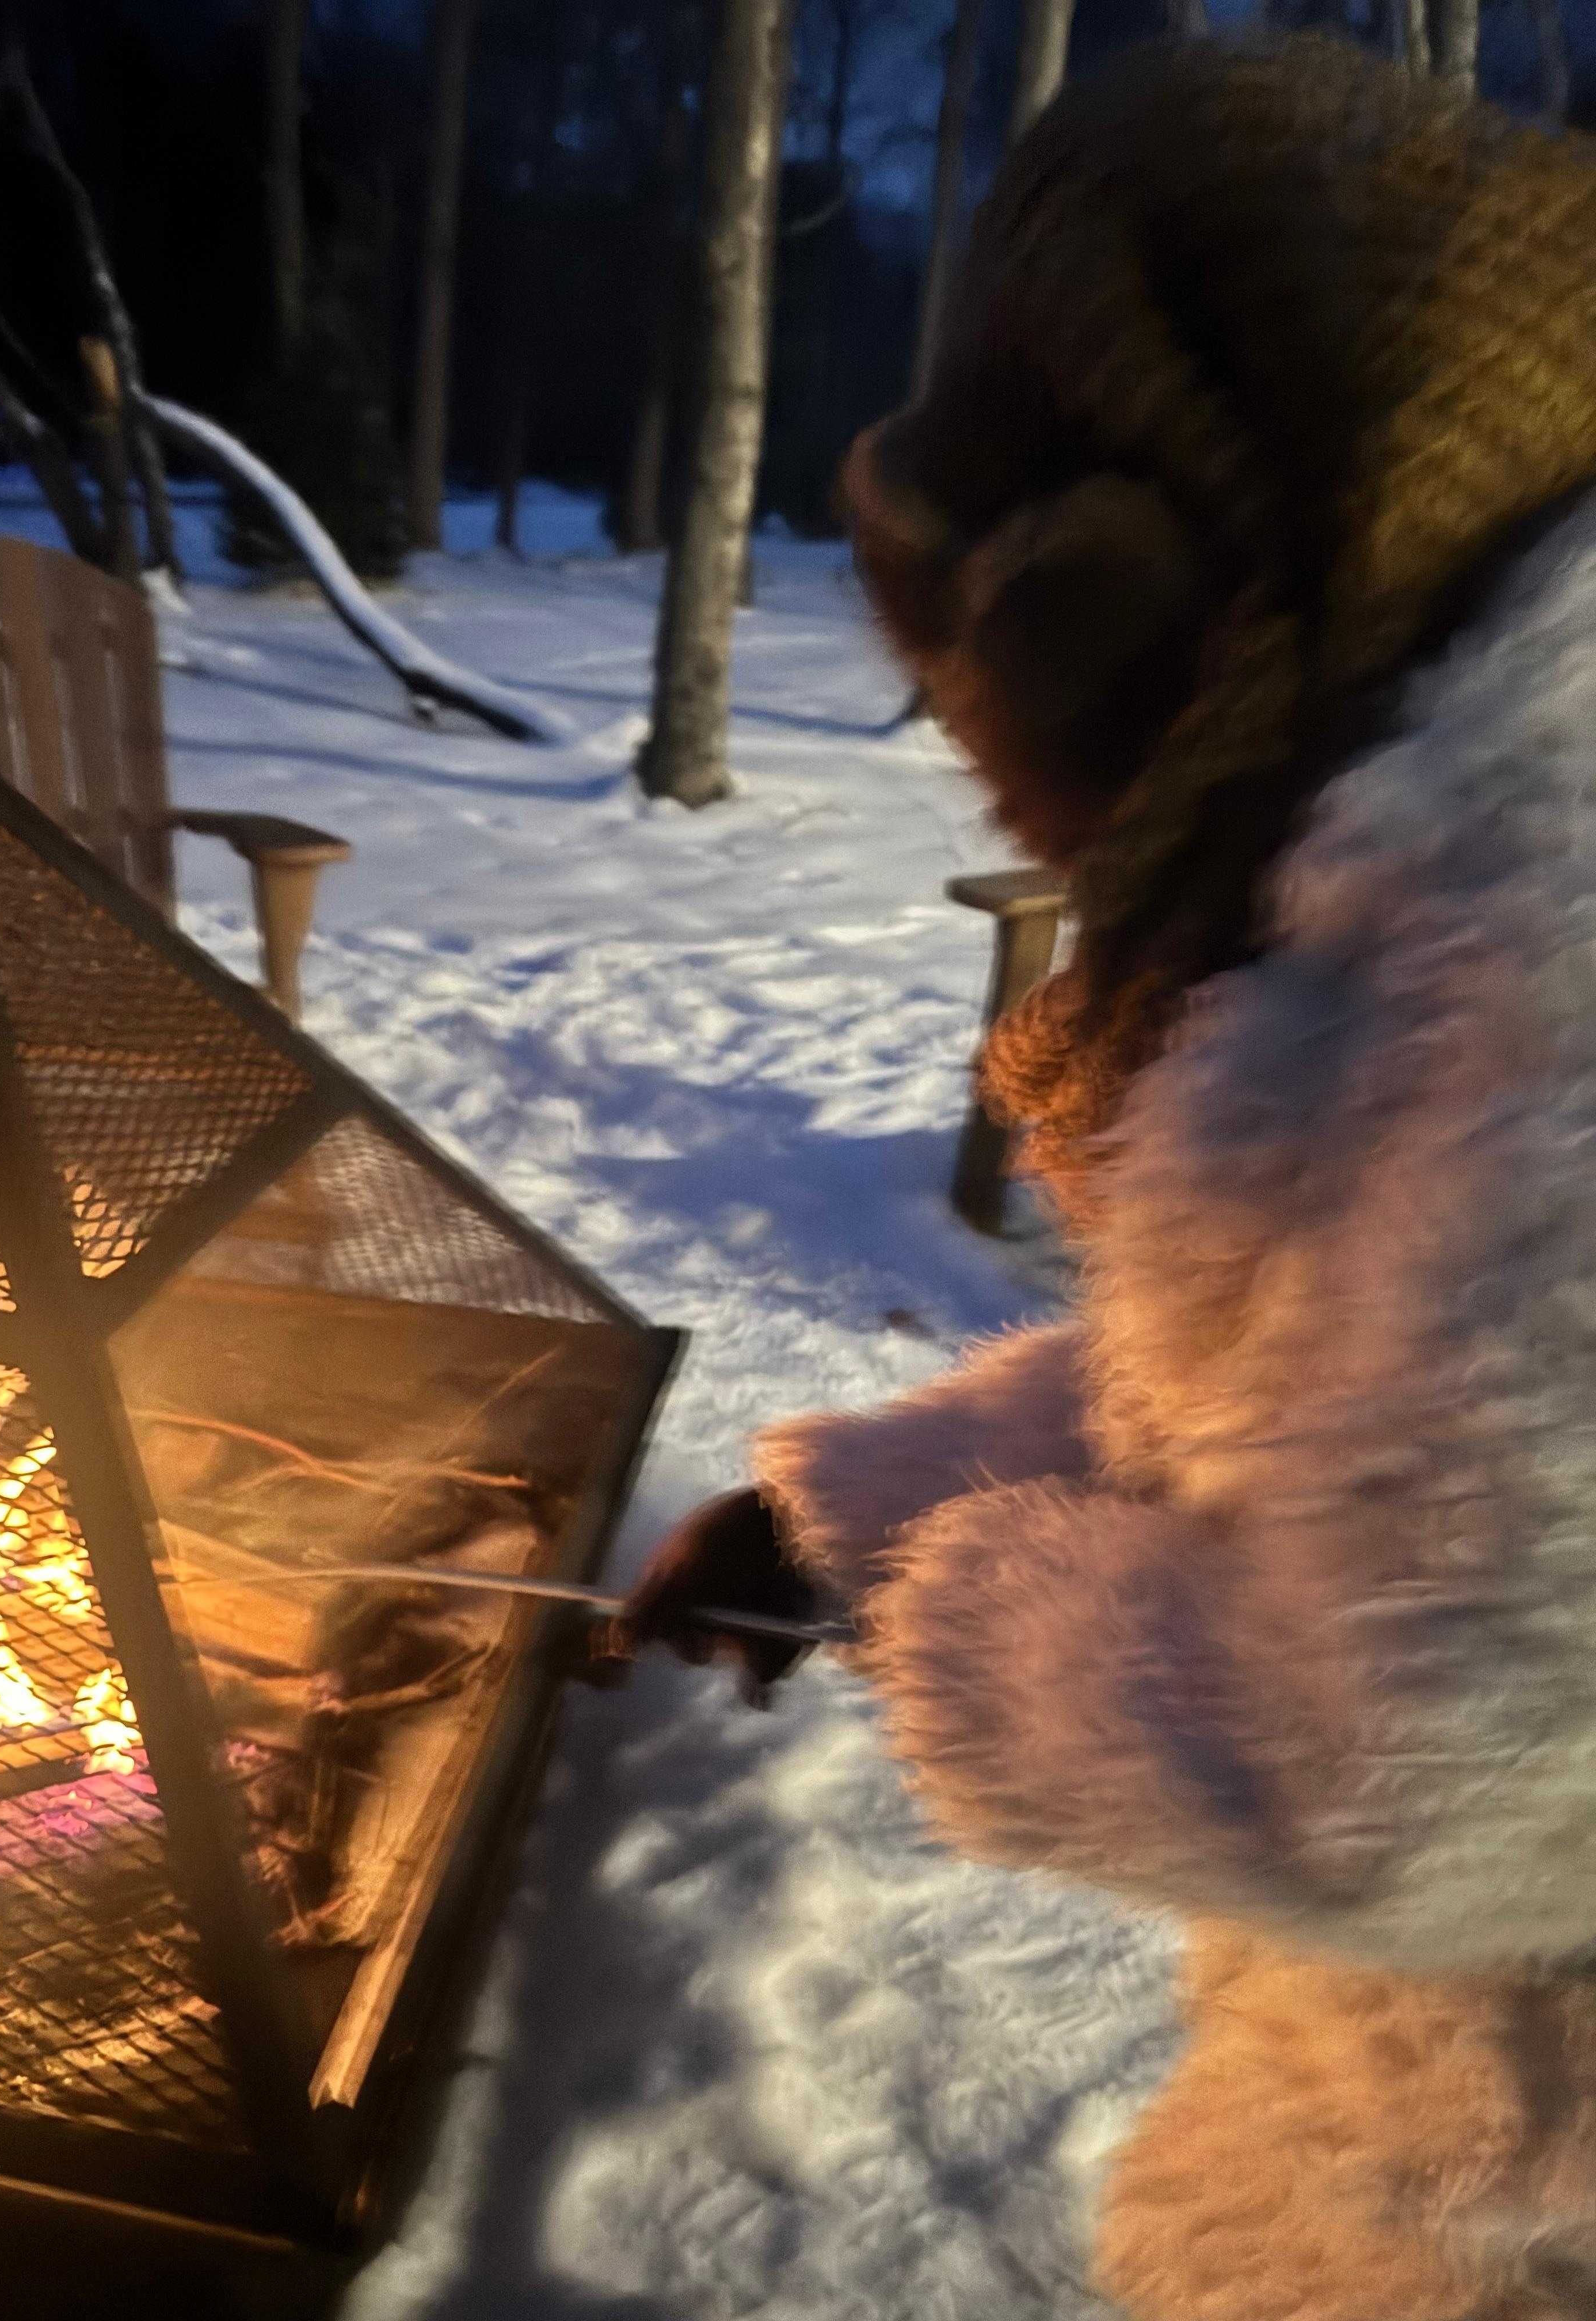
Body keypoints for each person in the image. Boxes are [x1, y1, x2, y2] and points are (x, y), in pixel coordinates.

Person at [593, 35, 1596, 2321]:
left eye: (997, 701)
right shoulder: (1425, 871)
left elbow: (1415, 1764)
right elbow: (1327, 1412)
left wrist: (965, 1626)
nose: (1007, 796)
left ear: (1177, 601)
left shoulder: (1565, 964)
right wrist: (850, 1517)